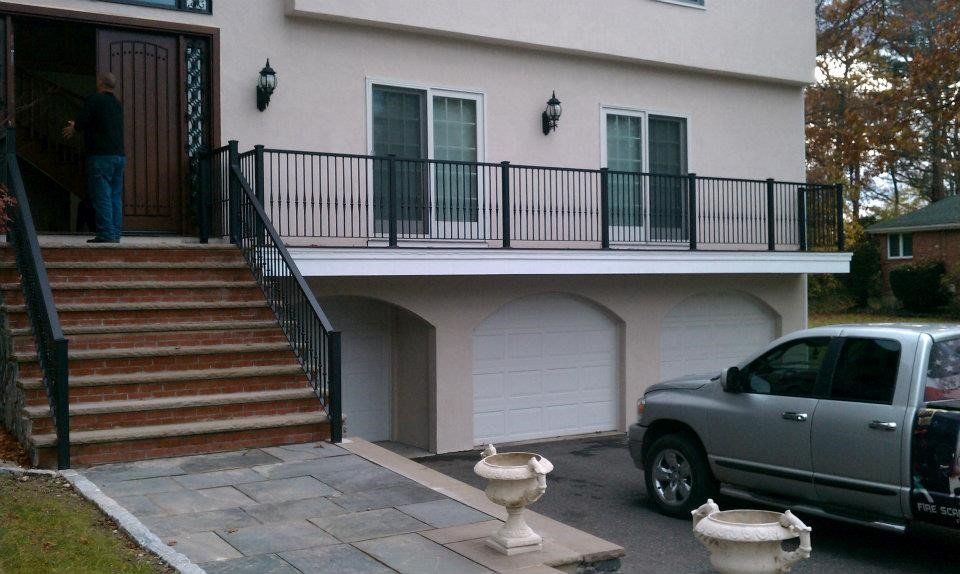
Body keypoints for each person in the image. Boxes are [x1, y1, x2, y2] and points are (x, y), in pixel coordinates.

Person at [63, 72, 125, 243]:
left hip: (100, 156)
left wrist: (75, 126)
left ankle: (106, 234)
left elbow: (83, 120)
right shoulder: (117, 104)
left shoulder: (95, 100)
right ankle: (115, 233)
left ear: (100, 83)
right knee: (115, 195)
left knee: (102, 194)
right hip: (118, 156)